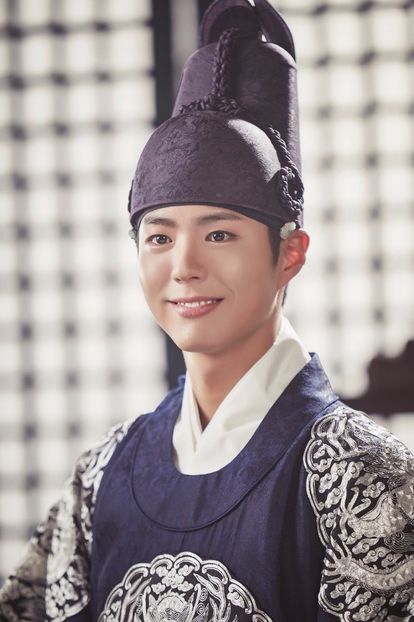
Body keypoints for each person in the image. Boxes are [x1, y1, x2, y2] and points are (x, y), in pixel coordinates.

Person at [1, 1, 414, 620]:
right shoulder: (102, 476)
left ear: (290, 253)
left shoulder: (366, 478)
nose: (184, 266)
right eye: (158, 237)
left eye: (219, 235)